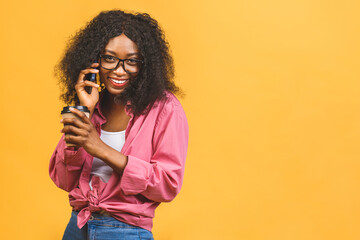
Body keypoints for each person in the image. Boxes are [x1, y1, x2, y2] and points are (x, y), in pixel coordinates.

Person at [49, 10, 188, 240]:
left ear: (145, 64)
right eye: (110, 58)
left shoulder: (165, 109)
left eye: (131, 61)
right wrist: (86, 110)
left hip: (125, 231)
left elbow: (167, 185)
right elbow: (63, 180)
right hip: (77, 225)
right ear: (95, 59)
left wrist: (100, 149)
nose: (119, 70)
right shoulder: (92, 105)